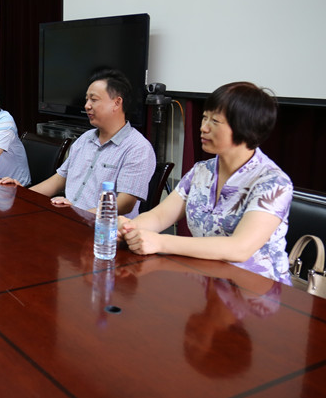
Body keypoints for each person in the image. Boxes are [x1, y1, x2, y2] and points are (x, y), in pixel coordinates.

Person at [118, 82, 293, 284]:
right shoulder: (202, 171)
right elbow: (159, 216)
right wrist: (129, 228)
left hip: (257, 291)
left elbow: (240, 248)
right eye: (204, 117)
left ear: (246, 128)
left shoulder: (273, 182)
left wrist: (161, 242)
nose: (203, 127)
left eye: (215, 121)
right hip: (208, 281)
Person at [1, 69, 155, 218]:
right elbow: (59, 180)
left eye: (94, 99)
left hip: (104, 228)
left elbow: (125, 203)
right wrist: (22, 195)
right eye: (87, 99)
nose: (87, 105)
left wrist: (78, 214)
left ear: (117, 102)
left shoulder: (137, 147)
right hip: (69, 218)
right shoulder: (85, 138)